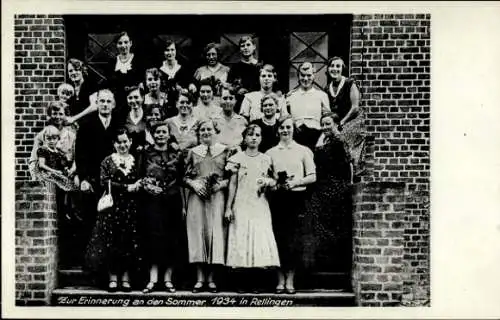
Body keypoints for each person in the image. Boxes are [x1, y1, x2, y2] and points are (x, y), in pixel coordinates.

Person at [85, 128, 143, 292]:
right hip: (112, 207)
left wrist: (139, 184)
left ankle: (125, 278)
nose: (123, 145)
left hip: (131, 207)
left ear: (130, 142)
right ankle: (112, 278)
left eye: (125, 141)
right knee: (112, 242)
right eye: (119, 142)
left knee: (128, 242)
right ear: (114, 144)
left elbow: (141, 177)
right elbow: (104, 182)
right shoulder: (108, 161)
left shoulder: (137, 160)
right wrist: (126, 187)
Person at [225, 124, 280, 293]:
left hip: (259, 204)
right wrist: (228, 207)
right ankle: (241, 282)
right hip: (241, 203)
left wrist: (269, 183)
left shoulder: (266, 159)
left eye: (257, 135)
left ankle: (257, 282)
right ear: (245, 138)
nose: (254, 138)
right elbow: (232, 184)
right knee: (241, 237)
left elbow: (275, 181)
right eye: (250, 134)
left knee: (258, 239)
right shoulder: (237, 158)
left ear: (261, 138)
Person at [266, 115, 316, 294]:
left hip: (296, 200)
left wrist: (295, 183)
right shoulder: (271, 153)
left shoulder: (303, 150)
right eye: (282, 128)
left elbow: (312, 176)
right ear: (278, 130)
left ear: (293, 129)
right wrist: (275, 183)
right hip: (278, 200)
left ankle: (290, 280)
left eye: (288, 127)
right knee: (279, 239)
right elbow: (267, 177)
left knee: (294, 240)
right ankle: (279, 280)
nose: (285, 130)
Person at [299, 112, 353, 273]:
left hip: (336, 188)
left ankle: (335, 266)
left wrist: (347, 185)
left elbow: (349, 164)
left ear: (336, 124)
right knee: (320, 225)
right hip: (322, 187)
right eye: (323, 124)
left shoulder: (340, 141)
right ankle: (322, 265)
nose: (325, 127)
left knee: (333, 225)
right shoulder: (325, 141)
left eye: (328, 124)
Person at [138, 121, 187, 294]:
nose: (160, 135)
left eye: (163, 132)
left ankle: (168, 280)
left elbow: (182, 180)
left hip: (173, 201)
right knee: (153, 239)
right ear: (153, 134)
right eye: (157, 132)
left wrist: (183, 205)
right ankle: (153, 279)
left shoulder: (176, 154)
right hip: (152, 202)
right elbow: (140, 176)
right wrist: (148, 186)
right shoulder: (146, 153)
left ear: (168, 134)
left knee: (172, 239)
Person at [182, 119, 230, 293]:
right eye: (202, 129)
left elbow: (232, 177)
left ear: (215, 130)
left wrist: (221, 185)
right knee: (198, 235)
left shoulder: (225, 151)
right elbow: (184, 176)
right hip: (197, 197)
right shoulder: (193, 152)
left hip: (217, 197)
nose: (206, 132)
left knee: (214, 234)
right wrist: (194, 184)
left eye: (209, 129)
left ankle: (211, 280)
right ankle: (199, 279)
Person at [74, 89, 121, 267]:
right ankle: (91, 264)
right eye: (102, 101)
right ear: (97, 104)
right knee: (92, 220)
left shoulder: (118, 123)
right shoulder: (87, 125)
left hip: (114, 181)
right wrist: (83, 178)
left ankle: (111, 264)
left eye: (108, 101)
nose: (105, 105)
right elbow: (80, 153)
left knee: (113, 221)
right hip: (93, 180)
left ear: (113, 105)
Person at [325, 56, 366, 178]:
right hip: (338, 125)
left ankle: (352, 174)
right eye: (332, 66)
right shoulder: (327, 88)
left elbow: (355, 108)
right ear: (328, 69)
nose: (335, 69)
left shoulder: (350, 83)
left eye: (338, 66)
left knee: (342, 143)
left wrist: (342, 123)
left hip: (354, 122)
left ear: (342, 68)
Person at [286, 62, 330, 151]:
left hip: (316, 139)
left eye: (309, 75)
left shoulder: (322, 95)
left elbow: (327, 119)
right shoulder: (291, 96)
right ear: (298, 76)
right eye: (302, 75)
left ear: (314, 76)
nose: (306, 79)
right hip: (296, 138)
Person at [107, 32, 145, 121]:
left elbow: (143, 81)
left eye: (126, 42)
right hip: (117, 102)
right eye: (120, 43)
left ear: (130, 43)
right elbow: (109, 83)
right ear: (116, 45)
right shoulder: (112, 62)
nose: (123, 45)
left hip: (134, 101)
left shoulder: (138, 60)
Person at [35, 125, 77, 191]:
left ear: (58, 139)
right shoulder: (43, 150)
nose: (51, 141)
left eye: (54, 138)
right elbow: (41, 165)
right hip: (48, 174)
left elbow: (63, 164)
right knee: (65, 184)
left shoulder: (59, 152)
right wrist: (55, 171)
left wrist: (67, 170)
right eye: (49, 138)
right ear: (44, 138)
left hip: (58, 174)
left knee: (73, 182)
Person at [212, 85, 248, 152]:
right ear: (220, 100)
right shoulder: (214, 120)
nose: (228, 101)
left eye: (231, 98)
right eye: (225, 98)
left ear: (235, 101)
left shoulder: (242, 121)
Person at [65, 58, 98, 124]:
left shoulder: (90, 84)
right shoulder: (69, 88)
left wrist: (74, 118)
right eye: (70, 71)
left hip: (91, 124)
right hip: (74, 125)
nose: (73, 73)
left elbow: (94, 106)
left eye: (77, 70)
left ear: (82, 71)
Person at [159, 40, 193, 104]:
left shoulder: (183, 67)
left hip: (180, 101)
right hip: (163, 101)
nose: (170, 52)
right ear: (163, 52)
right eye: (167, 50)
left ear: (176, 51)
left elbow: (189, 81)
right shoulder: (159, 68)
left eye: (172, 50)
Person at [123, 85, 147, 154]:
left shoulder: (149, 113)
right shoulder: (122, 117)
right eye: (130, 98)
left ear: (142, 98)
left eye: (136, 97)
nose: (133, 101)